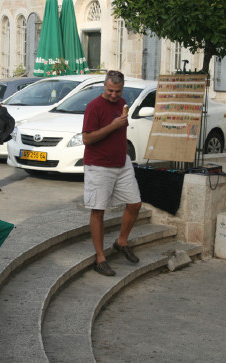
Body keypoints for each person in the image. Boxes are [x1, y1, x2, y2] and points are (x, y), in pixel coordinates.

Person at [82, 70, 142, 276]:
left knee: (135, 204)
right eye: (110, 90)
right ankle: (100, 258)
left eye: (118, 91)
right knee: (98, 210)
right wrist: (112, 126)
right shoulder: (94, 106)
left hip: (121, 162)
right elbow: (87, 139)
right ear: (103, 87)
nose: (114, 95)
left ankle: (121, 241)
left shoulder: (122, 102)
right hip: (98, 165)